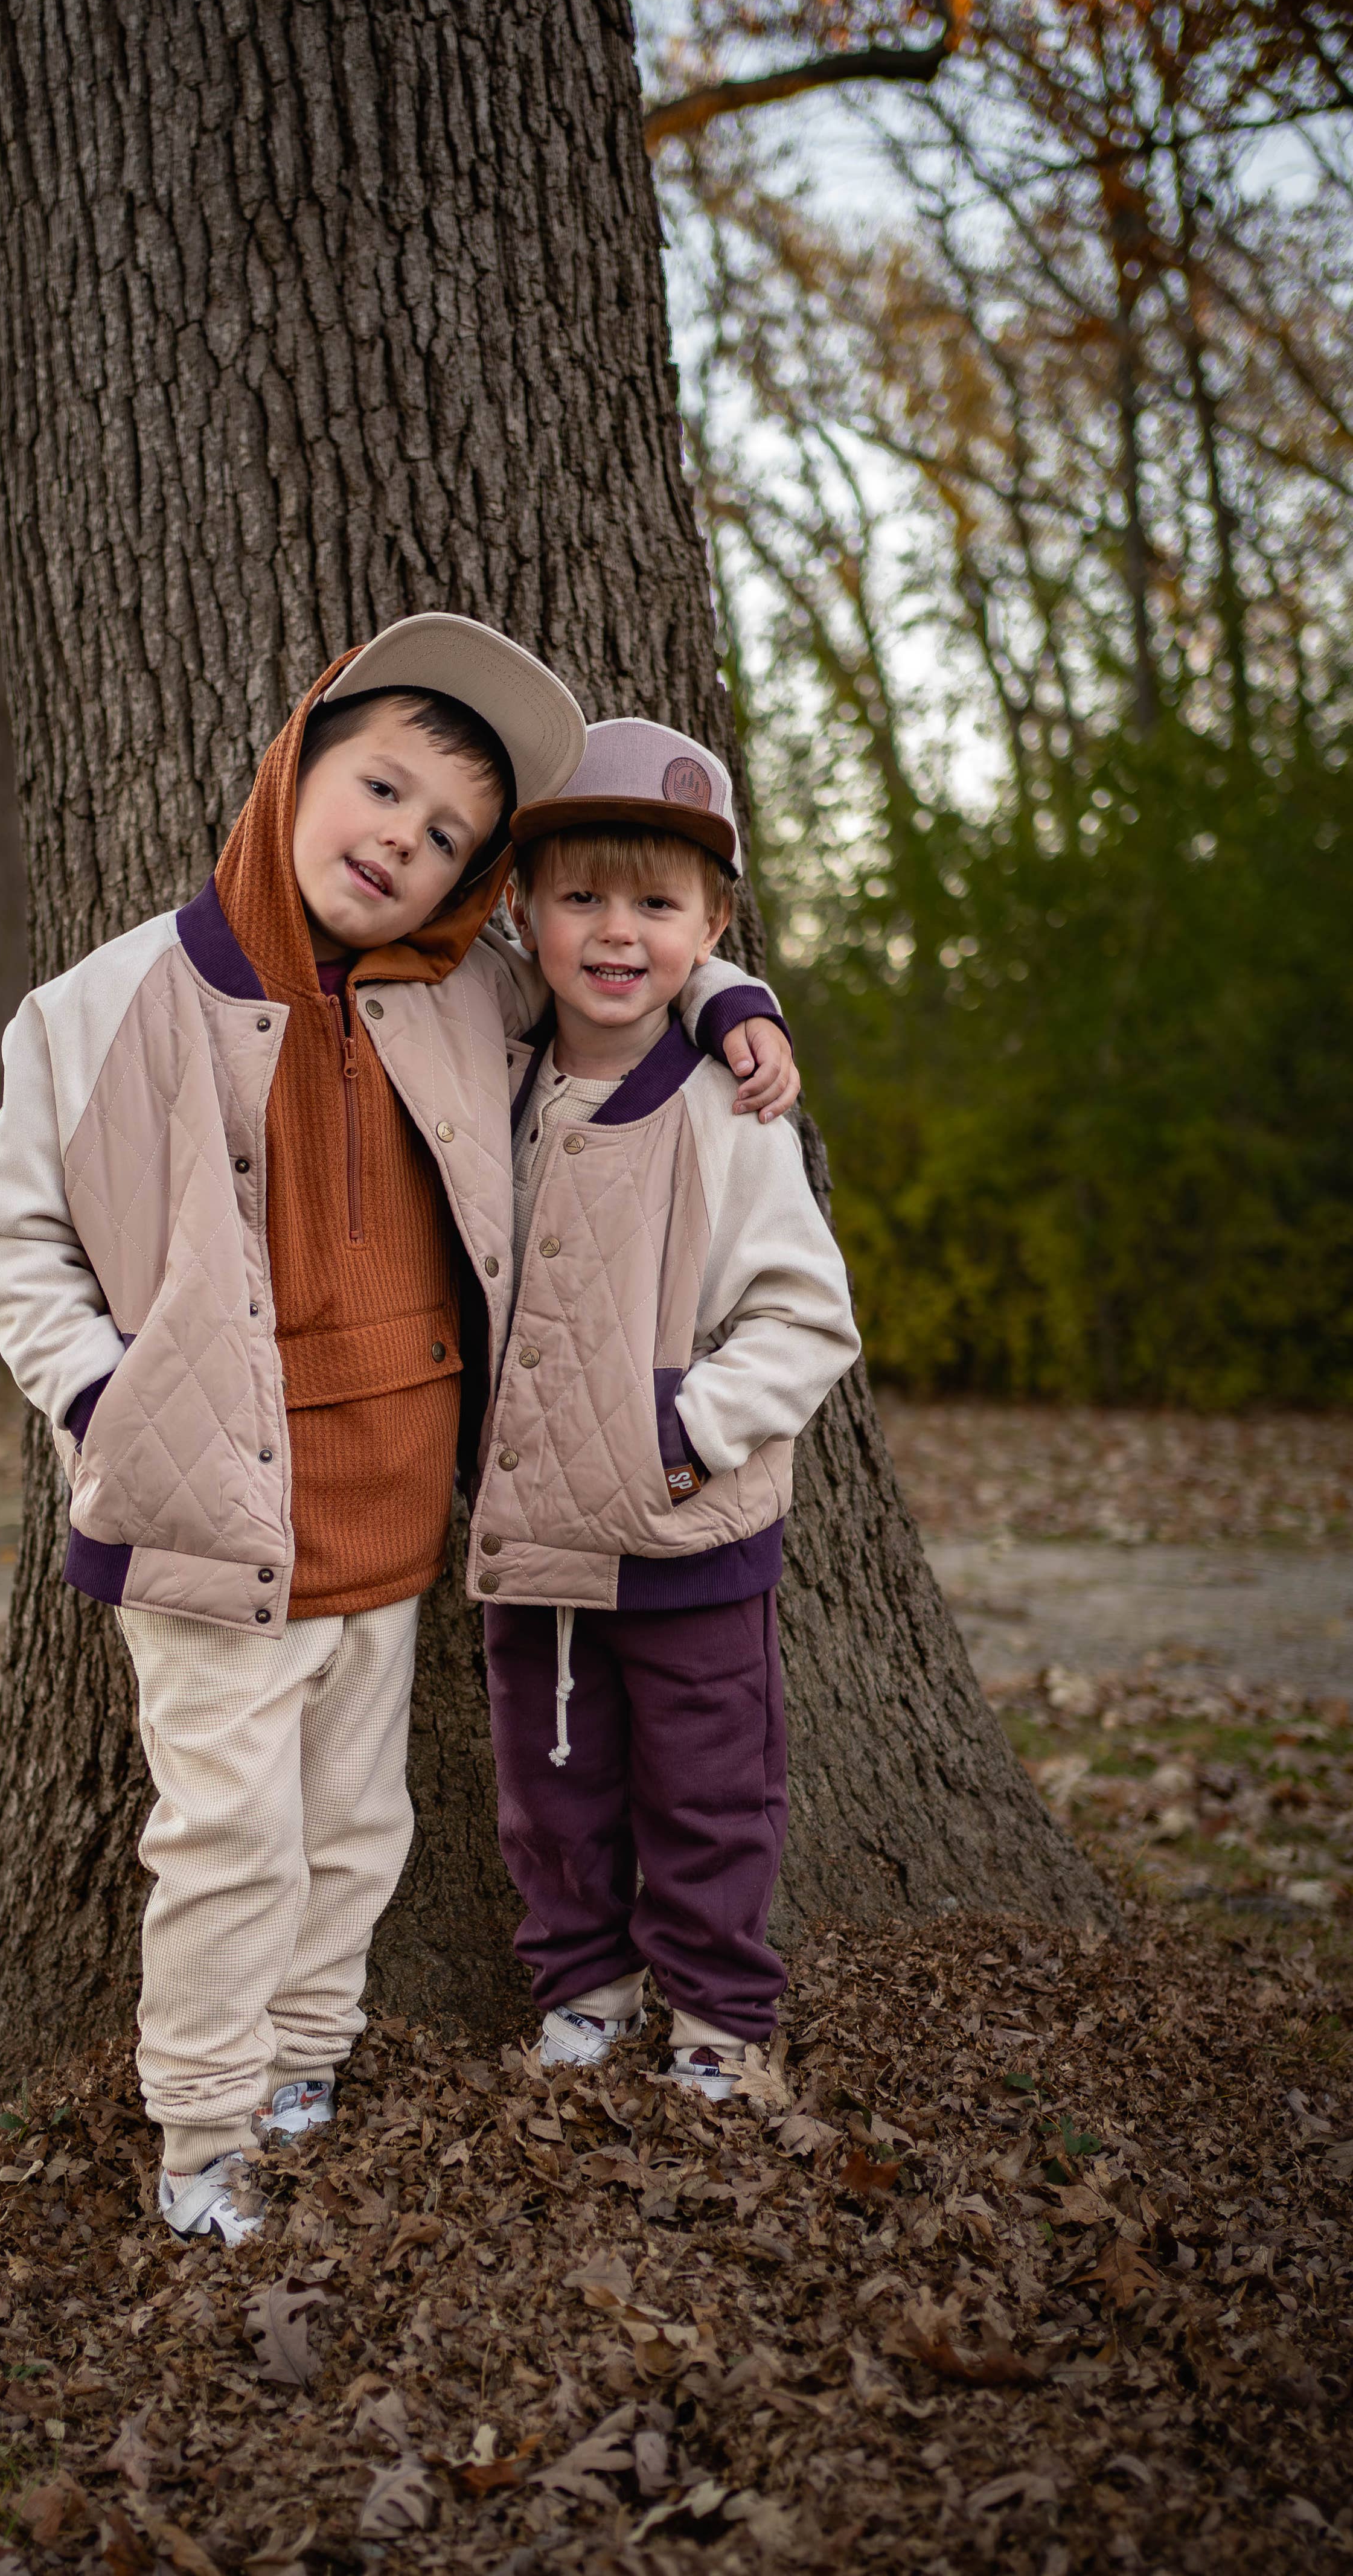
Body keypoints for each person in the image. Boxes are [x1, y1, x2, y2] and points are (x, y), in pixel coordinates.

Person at [0, 619, 797, 2241]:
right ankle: (198, 2133)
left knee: (355, 1820)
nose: (396, 841)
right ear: (294, 767)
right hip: (205, 1518)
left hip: (395, 1504)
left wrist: (738, 995)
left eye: (442, 839)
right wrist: (102, 1396)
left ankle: (300, 2060)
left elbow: (620, 971)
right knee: (224, 1836)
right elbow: (11, 1239)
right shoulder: (102, 1003)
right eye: (379, 789)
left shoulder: (459, 1001)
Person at [472, 717, 861, 2107]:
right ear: (523, 911)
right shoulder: (496, 1076)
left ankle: (718, 2014)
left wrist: (680, 1431)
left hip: (689, 1526)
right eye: (582, 896)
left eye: (658, 904)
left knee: (708, 1789)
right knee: (552, 1788)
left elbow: (807, 1318)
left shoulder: (727, 1109)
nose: (617, 932)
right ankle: (585, 1988)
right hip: (534, 1533)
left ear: (714, 923)